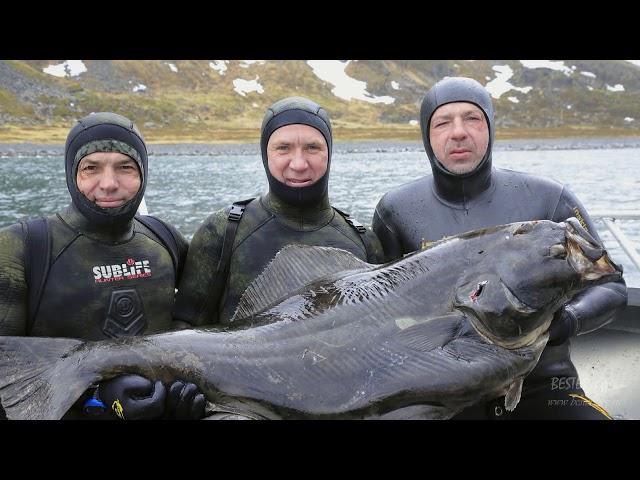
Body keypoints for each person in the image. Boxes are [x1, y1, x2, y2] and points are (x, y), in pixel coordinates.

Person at [372, 77, 628, 420]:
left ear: (490, 128)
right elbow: (376, 312)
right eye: (443, 122)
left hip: (546, 387)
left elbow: (611, 285)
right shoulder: (395, 211)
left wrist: (567, 322)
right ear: (426, 136)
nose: (459, 132)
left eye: (472, 119)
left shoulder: (548, 200)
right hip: (444, 396)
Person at [0, 112, 204, 420]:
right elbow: (5, 371)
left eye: (125, 167)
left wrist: (183, 393)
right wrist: (94, 400)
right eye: (91, 168)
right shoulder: (23, 247)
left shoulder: (164, 239)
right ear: (72, 173)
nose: (108, 184)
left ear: (144, 173)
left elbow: (199, 330)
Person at [173, 96, 384, 330]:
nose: (299, 164)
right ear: (266, 153)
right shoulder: (223, 231)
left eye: (312, 147)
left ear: (329, 152)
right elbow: (185, 329)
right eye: (283, 148)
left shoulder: (364, 240)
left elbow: (383, 329)